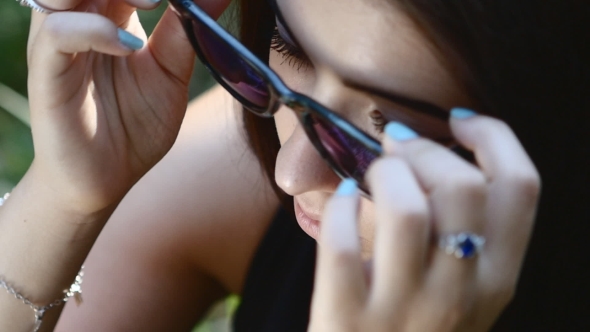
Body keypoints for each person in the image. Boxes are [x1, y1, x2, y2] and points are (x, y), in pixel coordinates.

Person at [0, 0, 587, 331]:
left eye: (375, 137)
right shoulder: (235, 169)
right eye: (284, 52)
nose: (290, 171)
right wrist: (64, 200)